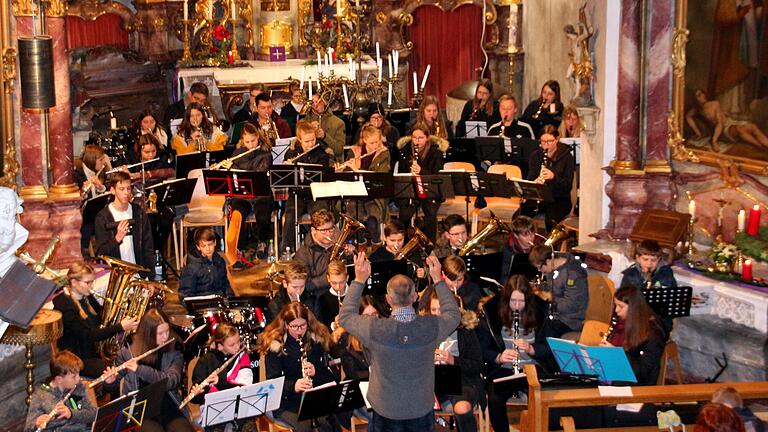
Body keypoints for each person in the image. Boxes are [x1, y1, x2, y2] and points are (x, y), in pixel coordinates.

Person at [340, 253, 460, 431]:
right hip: (420, 409)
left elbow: (346, 316)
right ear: (415, 297)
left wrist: (359, 280)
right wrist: (437, 279)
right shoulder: (430, 327)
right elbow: (453, 314)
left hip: (385, 410)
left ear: (388, 300)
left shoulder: (375, 328)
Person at [104, 308, 194, 432]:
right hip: (140, 410)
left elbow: (171, 381)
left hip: (168, 404)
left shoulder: (174, 347)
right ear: (148, 334)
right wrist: (110, 381)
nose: (165, 337)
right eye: (160, 333)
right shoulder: (129, 349)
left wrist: (140, 370)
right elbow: (114, 385)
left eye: (167, 331)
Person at [259, 302, 338, 432]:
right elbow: (272, 383)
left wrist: (316, 371)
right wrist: (293, 386)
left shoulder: (315, 340)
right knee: (306, 428)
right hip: (286, 402)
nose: (299, 330)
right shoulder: (276, 345)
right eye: (294, 326)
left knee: (329, 424)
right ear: (285, 324)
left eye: (303, 325)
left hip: (314, 398)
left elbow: (331, 376)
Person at [54, 261, 139, 379]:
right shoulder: (64, 305)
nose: (91, 286)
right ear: (74, 282)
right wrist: (120, 327)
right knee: (111, 373)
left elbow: (102, 315)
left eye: (92, 282)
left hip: (94, 350)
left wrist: (122, 311)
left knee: (131, 356)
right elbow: (88, 335)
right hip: (77, 358)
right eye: (88, 282)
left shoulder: (86, 295)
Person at [478, 275, 541, 432]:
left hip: (533, 370)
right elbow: (482, 348)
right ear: (506, 299)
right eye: (513, 301)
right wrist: (499, 357)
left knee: (543, 396)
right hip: (505, 369)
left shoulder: (541, 312)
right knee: (494, 398)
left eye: (522, 301)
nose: (517, 306)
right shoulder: (492, 314)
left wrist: (531, 349)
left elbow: (550, 345)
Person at [422, 288, 482, 432]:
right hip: (430, 382)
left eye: (442, 310)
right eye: (434, 309)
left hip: (461, 381)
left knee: (462, 407)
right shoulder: (423, 330)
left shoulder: (465, 331)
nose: (437, 314)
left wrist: (453, 360)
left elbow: (477, 366)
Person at [190, 323, 259, 431]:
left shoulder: (243, 357)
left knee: (248, 426)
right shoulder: (205, 361)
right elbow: (196, 398)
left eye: (238, 341)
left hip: (239, 408)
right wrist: (198, 392)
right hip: (215, 410)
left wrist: (220, 382)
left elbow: (245, 388)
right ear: (220, 346)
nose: (237, 346)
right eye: (232, 345)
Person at [221, 122, 273, 262]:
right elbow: (233, 178)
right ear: (242, 141)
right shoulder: (237, 154)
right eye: (247, 142)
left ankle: (262, 242)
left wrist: (235, 166)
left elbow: (258, 174)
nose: (250, 145)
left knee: (262, 213)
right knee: (237, 215)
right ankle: (240, 250)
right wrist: (227, 168)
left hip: (261, 194)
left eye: (253, 140)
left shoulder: (265, 153)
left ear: (258, 137)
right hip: (243, 196)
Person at [527, 245, 588, 360]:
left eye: (540, 267)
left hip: (569, 320)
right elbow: (553, 288)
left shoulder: (574, 273)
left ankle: (543, 365)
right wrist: (539, 288)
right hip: (554, 315)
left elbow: (571, 305)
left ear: (549, 260)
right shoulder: (553, 268)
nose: (540, 271)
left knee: (542, 339)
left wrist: (550, 299)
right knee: (529, 323)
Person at [331, 295, 383, 431]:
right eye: (366, 316)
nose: (371, 320)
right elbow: (353, 374)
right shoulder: (346, 339)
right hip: (358, 395)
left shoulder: (386, 333)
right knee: (378, 416)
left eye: (375, 314)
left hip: (383, 391)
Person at [280, 120, 333, 252]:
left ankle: (319, 247)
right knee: (290, 215)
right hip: (297, 194)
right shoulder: (291, 154)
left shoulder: (321, 153)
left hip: (315, 194)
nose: (311, 144)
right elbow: (284, 178)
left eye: (313, 140)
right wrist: (286, 168)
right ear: (299, 140)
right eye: (307, 141)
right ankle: (286, 250)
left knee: (319, 216)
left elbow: (325, 177)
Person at [600, 285, 666, 385]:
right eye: (615, 305)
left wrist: (617, 355)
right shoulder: (620, 322)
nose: (616, 310)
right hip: (615, 373)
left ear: (634, 308)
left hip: (635, 383)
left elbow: (643, 371)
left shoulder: (653, 334)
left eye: (621, 306)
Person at [94, 171, 155, 278]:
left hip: (138, 273)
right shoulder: (102, 217)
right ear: (112, 191)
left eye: (128, 188)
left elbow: (148, 247)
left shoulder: (138, 213)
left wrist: (150, 277)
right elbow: (100, 253)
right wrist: (117, 239)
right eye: (121, 189)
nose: (126, 192)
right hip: (115, 275)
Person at [338, 125, 390, 242]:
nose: (376, 145)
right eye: (372, 143)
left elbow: (379, 177)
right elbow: (347, 175)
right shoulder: (355, 151)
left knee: (373, 220)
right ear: (365, 140)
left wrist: (357, 169)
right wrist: (343, 169)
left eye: (377, 142)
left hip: (374, 196)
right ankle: (360, 246)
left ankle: (376, 246)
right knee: (356, 218)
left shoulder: (383, 153)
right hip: (355, 196)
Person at [395, 122, 447, 242]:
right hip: (411, 189)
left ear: (427, 138)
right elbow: (402, 174)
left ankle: (430, 244)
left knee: (430, 212)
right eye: (414, 138)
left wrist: (421, 171)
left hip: (430, 191)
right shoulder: (405, 151)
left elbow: (437, 176)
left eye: (421, 138)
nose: (417, 141)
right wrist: (410, 173)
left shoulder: (436, 153)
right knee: (405, 213)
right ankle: (405, 243)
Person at [294, 209, 354, 308]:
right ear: (313, 231)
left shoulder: (339, 246)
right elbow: (306, 285)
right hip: (318, 302)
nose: (329, 234)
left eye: (331, 229)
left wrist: (351, 256)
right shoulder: (303, 254)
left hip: (342, 296)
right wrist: (331, 278)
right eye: (324, 231)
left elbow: (349, 275)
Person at [24, 351, 96, 432]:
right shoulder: (40, 395)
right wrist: (36, 424)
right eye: (74, 376)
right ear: (59, 379)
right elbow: (28, 428)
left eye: (78, 374)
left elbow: (93, 414)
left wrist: (71, 414)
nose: (78, 379)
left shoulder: (78, 386)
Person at [522, 125, 575, 231]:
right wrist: (534, 182)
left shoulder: (567, 157)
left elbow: (567, 186)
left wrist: (553, 177)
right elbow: (529, 178)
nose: (545, 145)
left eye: (549, 141)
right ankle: (525, 244)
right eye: (542, 141)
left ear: (557, 139)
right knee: (520, 216)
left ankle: (550, 246)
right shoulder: (535, 156)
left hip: (559, 199)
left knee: (551, 220)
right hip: (540, 197)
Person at [686, 88, 768, 152]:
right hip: (722, 131)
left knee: (753, 127)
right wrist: (702, 135)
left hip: (730, 123)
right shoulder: (696, 109)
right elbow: (688, 117)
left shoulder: (714, 103)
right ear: (695, 99)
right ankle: (761, 147)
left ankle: (765, 147)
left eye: (702, 93)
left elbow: (721, 121)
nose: (702, 96)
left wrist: (725, 114)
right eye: (698, 95)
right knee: (740, 129)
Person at [75, 144, 111, 258]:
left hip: (94, 213)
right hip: (82, 215)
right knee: (90, 224)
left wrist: (101, 188)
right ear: (92, 160)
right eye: (100, 160)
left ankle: (107, 252)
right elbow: (77, 200)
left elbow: (100, 200)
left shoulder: (97, 173)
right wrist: (83, 192)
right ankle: (85, 252)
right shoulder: (78, 175)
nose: (103, 163)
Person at [179, 227, 233, 299]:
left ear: (215, 243)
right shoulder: (191, 267)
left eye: (210, 244)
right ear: (198, 247)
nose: (208, 249)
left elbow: (225, 284)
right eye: (204, 246)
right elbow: (185, 295)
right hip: (201, 304)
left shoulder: (219, 261)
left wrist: (230, 299)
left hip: (219, 302)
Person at [500, 215, 544, 284]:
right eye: (525, 235)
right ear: (516, 235)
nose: (530, 238)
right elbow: (505, 276)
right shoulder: (509, 249)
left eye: (532, 234)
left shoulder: (540, 243)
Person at [303, 93, 346, 162]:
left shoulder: (338, 123)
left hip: (331, 164)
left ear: (324, 101)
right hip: (308, 163)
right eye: (312, 103)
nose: (315, 105)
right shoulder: (303, 123)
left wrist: (325, 136)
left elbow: (339, 150)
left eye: (318, 102)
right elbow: (298, 146)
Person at [314, 260, 348, 328]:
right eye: (334, 283)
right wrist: (333, 325)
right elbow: (321, 325)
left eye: (341, 282)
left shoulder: (355, 294)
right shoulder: (322, 299)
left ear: (347, 278)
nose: (338, 287)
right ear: (328, 278)